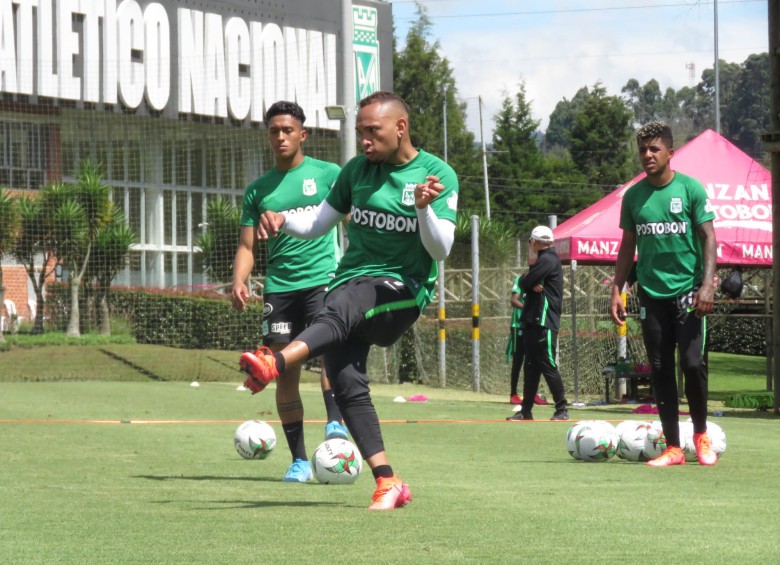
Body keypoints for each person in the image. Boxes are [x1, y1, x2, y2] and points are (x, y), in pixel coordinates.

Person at [239, 91, 459, 509]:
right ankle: (388, 480)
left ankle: (276, 361)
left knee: (344, 304)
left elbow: (440, 250)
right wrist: (285, 220)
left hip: (402, 288)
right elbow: (320, 222)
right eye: (360, 133)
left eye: (372, 132)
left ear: (400, 127)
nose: (364, 142)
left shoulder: (436, 173)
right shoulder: (356, 171)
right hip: (352, 283)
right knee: (343, 377)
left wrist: (423, 209)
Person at [231, 100, 349, 484]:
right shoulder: (258, 191)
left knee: (330, 354)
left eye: (287, 130)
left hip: (323, 279)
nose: (280, 137)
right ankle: (299, 461)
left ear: (303, 134)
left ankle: (335, 425)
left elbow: (354, 218)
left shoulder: (329, 174)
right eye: (274, 131)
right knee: (284, 370)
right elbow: (247, 247)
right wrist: (239, 280)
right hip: (280, 289)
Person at [610, 122, 718, 467]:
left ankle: (700, 435)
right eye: (643, 149)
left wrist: (706, 284)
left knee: (691, 363)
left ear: (670, 153)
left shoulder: (690, 190)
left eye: (654, 149)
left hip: (688, 292)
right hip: (651, 296)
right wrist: (618, 289)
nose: (647, 155)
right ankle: (673, 447)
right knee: (659, 369)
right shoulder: (634, 197)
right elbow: (628, 246)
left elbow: (709, 237)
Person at [506, 225, 569, 422]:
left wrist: (528, 280)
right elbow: (528, 281)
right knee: (531, 366)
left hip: (544, 321)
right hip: (533, 320)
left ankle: (562, 409)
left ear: (534, 241)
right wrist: (529, 281)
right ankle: (526, 410)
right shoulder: (544, 260)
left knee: (547, 363)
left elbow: (524, 281)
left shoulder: (548, 259)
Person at [506, 275, 525, 405]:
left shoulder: (541, 280)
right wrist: (529, 309)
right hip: (518, 326)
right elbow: (514, 300)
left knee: (533, 362)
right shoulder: (521, 279)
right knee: (518, 360)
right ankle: (513, 394)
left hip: (532, 326)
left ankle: (531, 393)